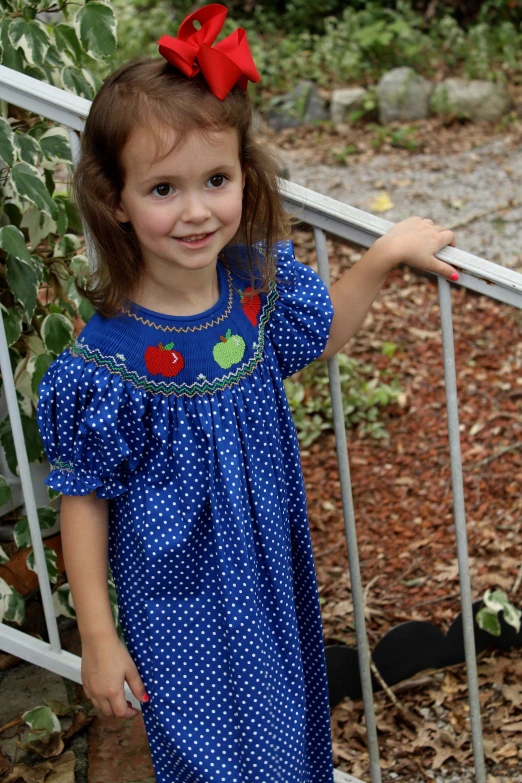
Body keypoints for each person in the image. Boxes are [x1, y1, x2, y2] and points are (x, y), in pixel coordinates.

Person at [36, 4, 458, 782]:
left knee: (282, 729)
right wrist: (98, 636)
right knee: (205, 749)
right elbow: (84, 498)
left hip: (267, 569)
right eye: (163, 187)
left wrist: (384, 255)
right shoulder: (105, 364)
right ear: (115, 199)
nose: (196, 210)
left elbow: (323, 334)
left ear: (243, 177)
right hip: (178, 597)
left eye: (216, 180)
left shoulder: (255, 293)